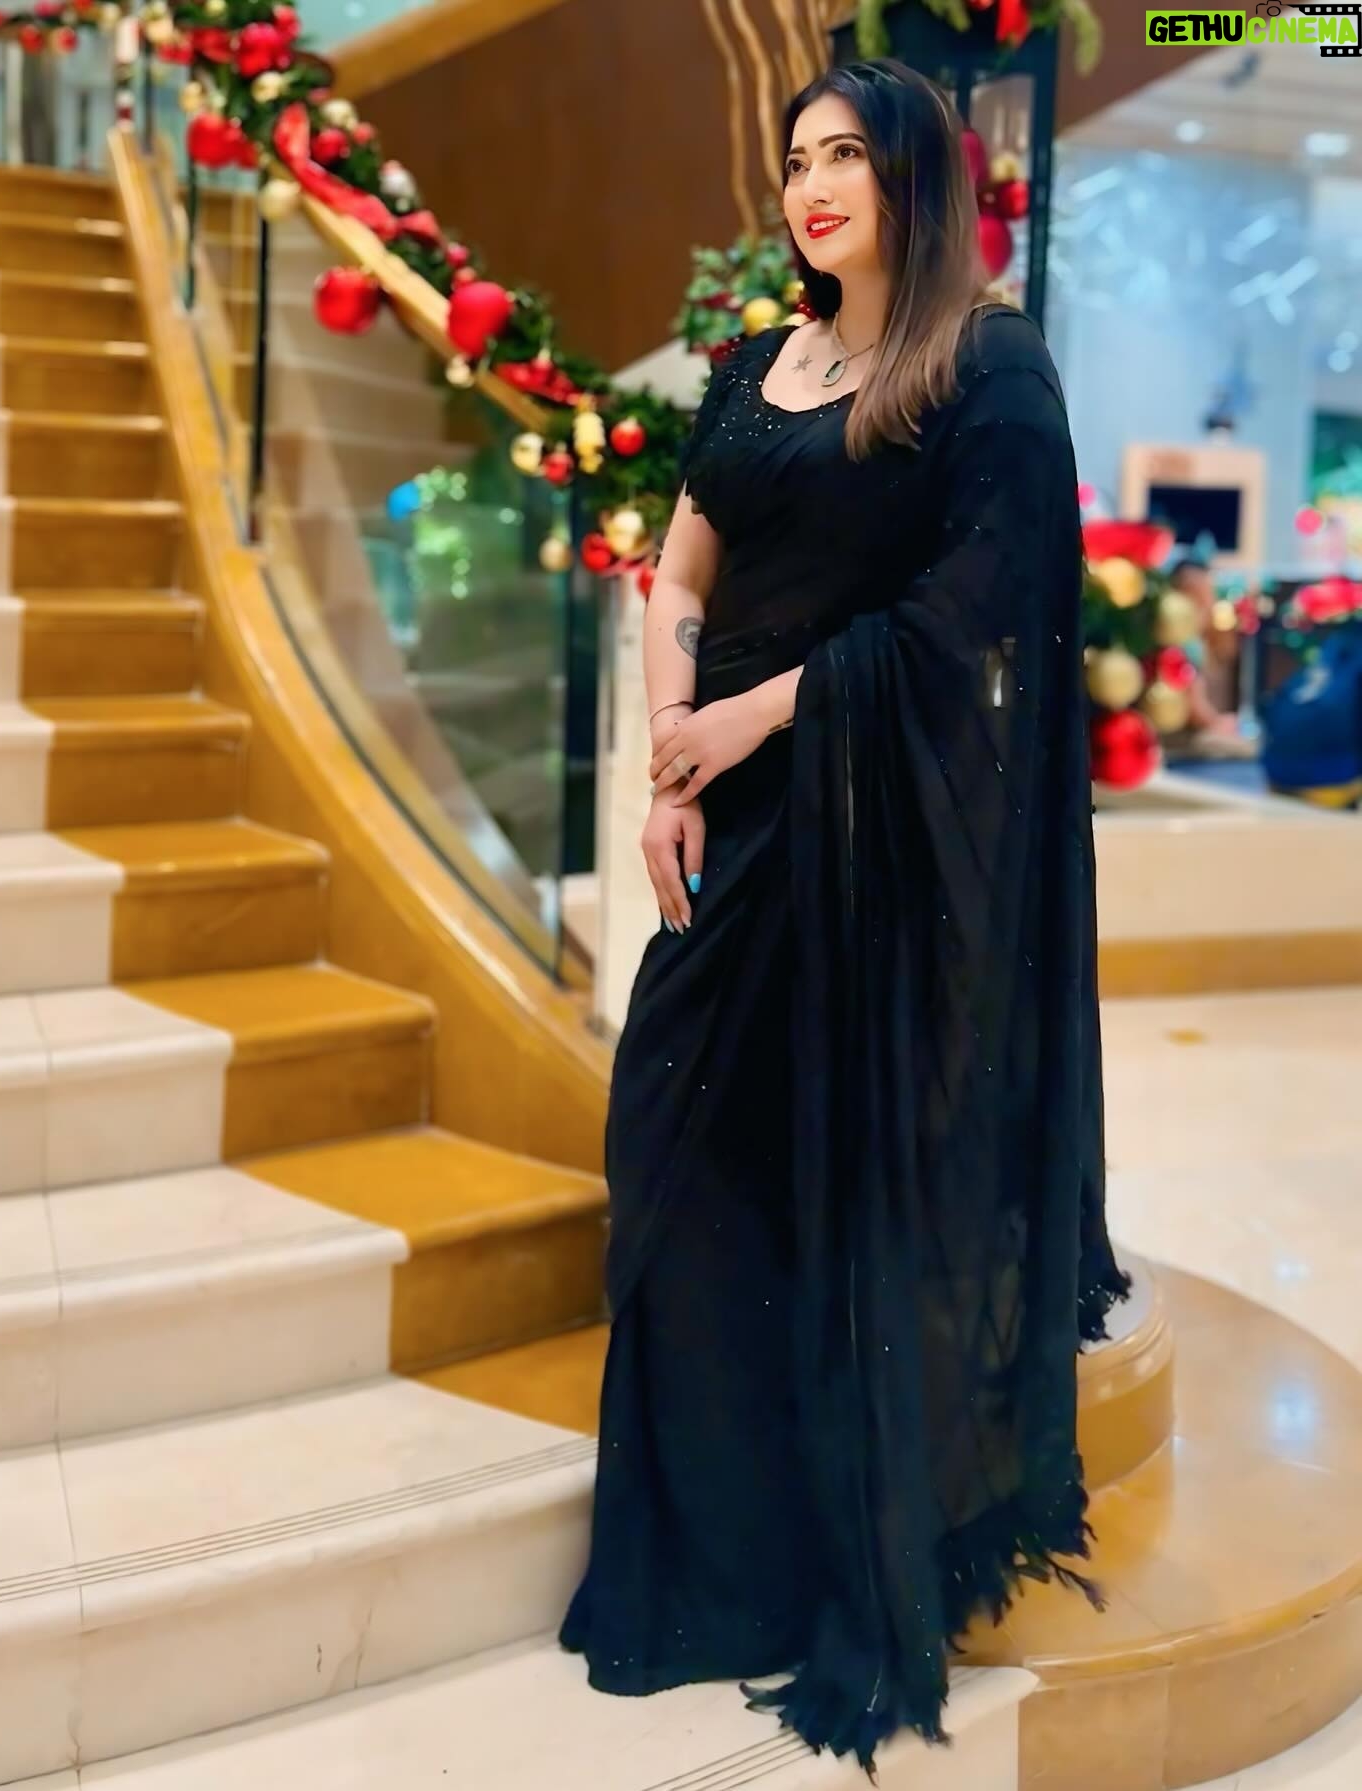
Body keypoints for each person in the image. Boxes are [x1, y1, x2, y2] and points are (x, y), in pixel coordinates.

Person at [559, 60, 1132, 1778]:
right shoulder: (755, 367)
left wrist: (757, 717)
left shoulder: (985, 367)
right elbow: (680, 572)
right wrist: (675, 756)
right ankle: (701, 1568)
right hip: (727, 825)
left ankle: (826, 1570)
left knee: (834, 1194)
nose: (812, 185)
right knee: (675, 1154)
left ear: (916, 178)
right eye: (797, 156)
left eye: (847, 157)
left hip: (874, 846)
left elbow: (983, 610)